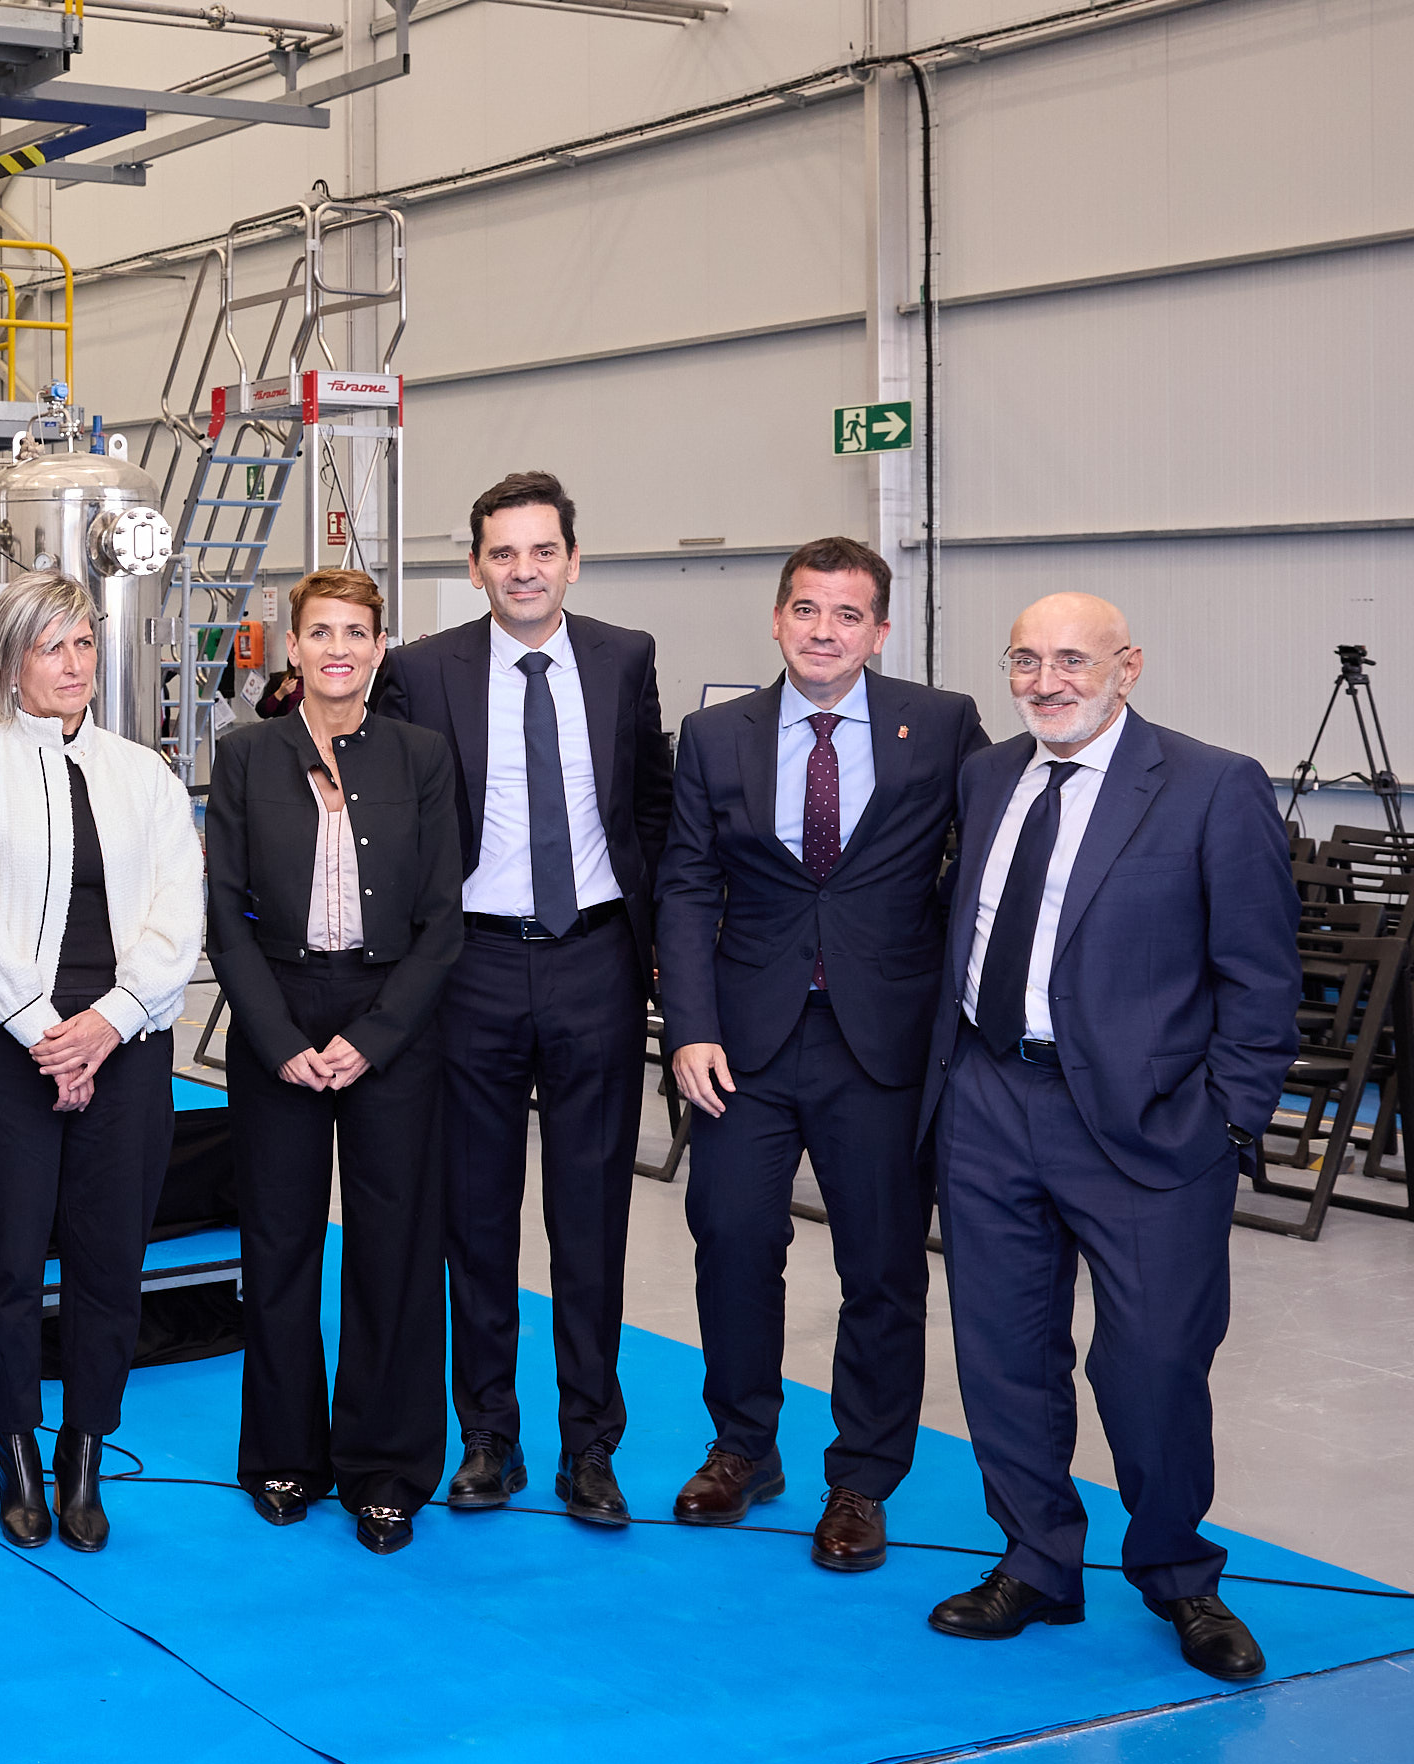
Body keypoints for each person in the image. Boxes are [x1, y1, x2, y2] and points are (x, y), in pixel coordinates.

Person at [922, 593, 1296, 1681]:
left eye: (1071, 660)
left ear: (1127, 667)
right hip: (990, 1100)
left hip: (1150, 1126)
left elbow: (1261, 977)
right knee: (1002, 1353)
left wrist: (1226, 1119)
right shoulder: (987, 775)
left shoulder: (1212, 785)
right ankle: (1036, 1560)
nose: (1046, 682)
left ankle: (1179, 1573)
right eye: (1024, 660)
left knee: (1155, 1363)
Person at [654, 539, 986, 1570]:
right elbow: (685, 884)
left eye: (847, 614)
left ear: (878, 631)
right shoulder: (714, 736)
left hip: (882, 1041)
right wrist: (689, 1026)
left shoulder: (942, 724)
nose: (823, 631)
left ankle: (862, 1479)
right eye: (806, 609)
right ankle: (743, 1448)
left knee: (880, 1265)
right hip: (743, 1042)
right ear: (776, 618)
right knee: (731, 1240)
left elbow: (983, 860)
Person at [372, 470, 671, 1528]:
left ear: (572, 561)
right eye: (503, 553)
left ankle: (590, 1445)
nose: (524, 570)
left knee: (591, 1219)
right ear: (475, 568)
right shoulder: (423, 671)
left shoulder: (625, 657)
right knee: (476, 1218)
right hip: (474, 970)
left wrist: (652, 953)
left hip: (594, 963)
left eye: (543, 550)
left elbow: (649, 808)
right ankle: (488, 1438)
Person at [0, 574, 203, 1553]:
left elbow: (179, 911)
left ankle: (85, 1451)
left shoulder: (145, 775)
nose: (74, 664)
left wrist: (110, 1023)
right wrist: (51, 1034)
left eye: (83, 643)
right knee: (2, 1262)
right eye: (52, 647)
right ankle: (15, 1450)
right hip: (8, 1054)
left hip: (125, 1049)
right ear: (11, 663)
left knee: (108, 1263)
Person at [206, 569, 466, 1552]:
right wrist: (279, 1040)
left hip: (389, 1014)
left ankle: (386, 1467)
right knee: (279, 1244)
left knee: (394, 1246)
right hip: (279, 1007)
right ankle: (283, 1453)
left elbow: (443, 918)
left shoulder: (420, 756)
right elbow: (224, 914)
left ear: (379, 647)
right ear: (293, 646)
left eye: (356, 632)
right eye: (320, 632)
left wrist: (376, 1035)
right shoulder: (245, 755)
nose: (338, 649)